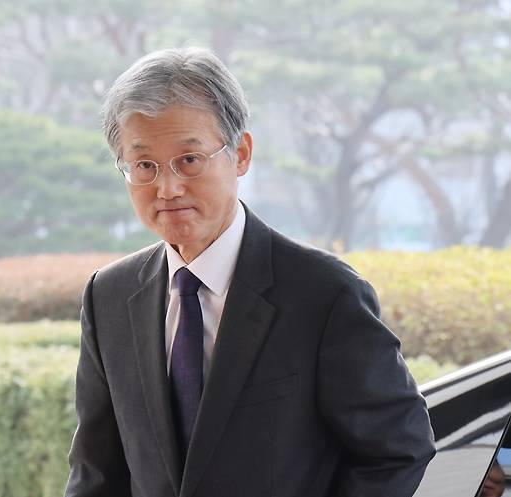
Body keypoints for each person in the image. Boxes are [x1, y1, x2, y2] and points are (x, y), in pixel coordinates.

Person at [63, 47, 436, 497]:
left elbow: (398, 450)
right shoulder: (109, 296)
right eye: (145, 166)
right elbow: (95, 473)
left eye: (189, 159)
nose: (168, 187)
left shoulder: (325, 295)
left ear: (240, 154)